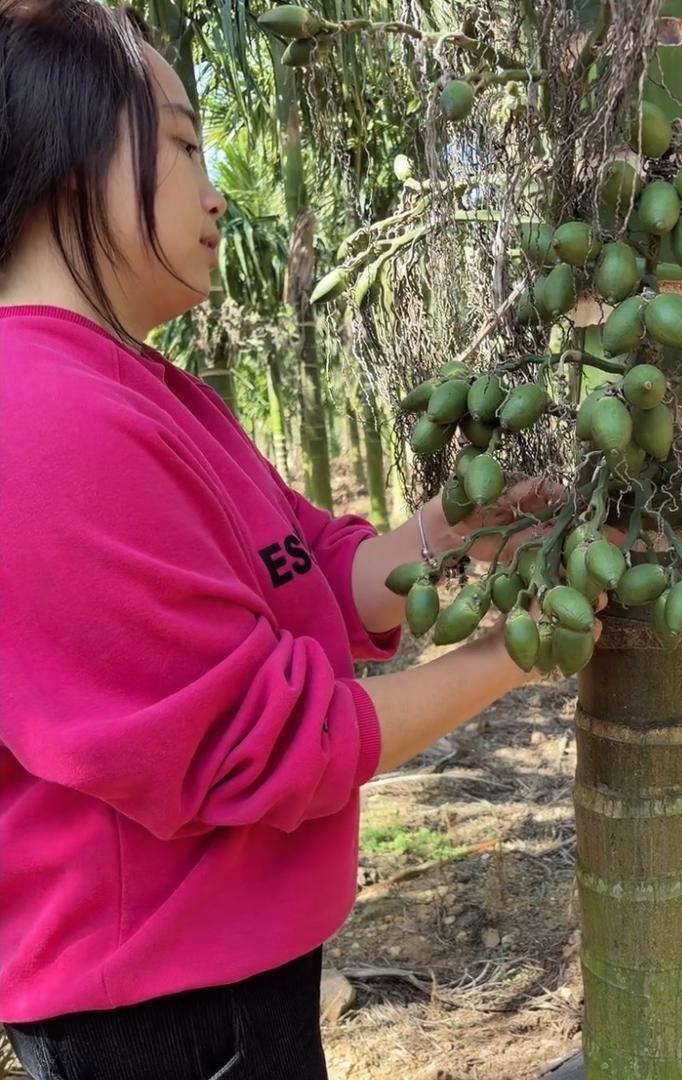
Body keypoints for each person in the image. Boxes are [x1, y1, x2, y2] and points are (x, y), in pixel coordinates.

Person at [0, 3, 588, 1076]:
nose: (215, 192)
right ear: (67, 157)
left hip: (221, 991)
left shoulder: (147, 392)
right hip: (154, 1020)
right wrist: (517, 649)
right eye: (182, 145)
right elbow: (264, 744)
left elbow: (309, 570)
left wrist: (449, 533)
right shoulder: (38, 418)